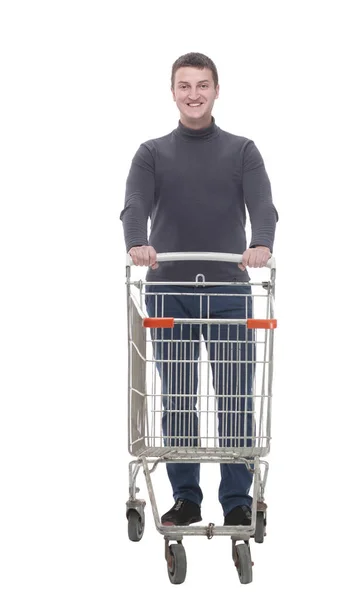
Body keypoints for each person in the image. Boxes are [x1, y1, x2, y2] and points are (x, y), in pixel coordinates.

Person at [120, 52, 278, 527]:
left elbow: (264, 206)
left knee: (235, 396)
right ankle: (186, 497)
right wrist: (137, 244)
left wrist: (261, 244)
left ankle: (235, 499)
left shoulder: (242, 150)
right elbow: (134, 205)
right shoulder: (151, 152)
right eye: (185, 86)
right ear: (172, 92)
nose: (194, 94)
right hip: (169, 290)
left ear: (216, 90)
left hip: (228, 288)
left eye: (202, 85)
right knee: (179, 395)